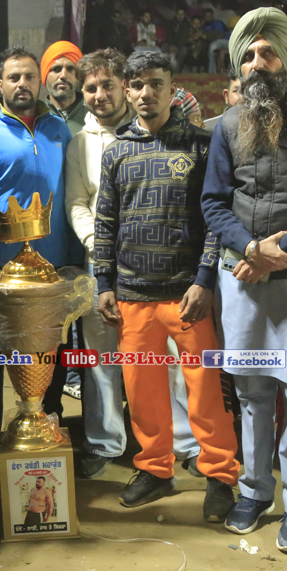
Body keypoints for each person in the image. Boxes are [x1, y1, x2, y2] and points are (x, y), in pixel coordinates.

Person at [202, 8, 287, 554]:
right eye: (250, 55)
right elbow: (214, 202)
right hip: (243, 274)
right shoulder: (227, 124)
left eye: (268, 53)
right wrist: (251, 248)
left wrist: (281, 250)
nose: (258, 63)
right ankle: (254, 491)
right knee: (253, 393)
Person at [95, 50, 240, 519]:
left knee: (206, 392)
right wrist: (103, 282)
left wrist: (205, 279)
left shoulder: (202, 145)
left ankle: (220, 475)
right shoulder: (116, 151)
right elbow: (105, 221)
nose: (146, 93)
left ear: (172, 87)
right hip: (133, 294)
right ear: (127, 90)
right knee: (143, 394)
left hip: (188, 294)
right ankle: (155, 469)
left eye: (155, 83)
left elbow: (216, 218)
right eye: (137, 85)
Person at [65, 48, 203, 480]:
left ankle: (183, 442)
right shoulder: (79, 143)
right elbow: (77, 203)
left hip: (159, 267)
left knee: (167, 358)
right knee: (100, 356)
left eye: (107, 85)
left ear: (124, 88)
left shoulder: (156, 131)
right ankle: (106, 441)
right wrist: (98, 246)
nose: (100, 95)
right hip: (101, 266)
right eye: (91, 88)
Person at [0, 46, 80, 479]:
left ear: (38, 83)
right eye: (14, 77)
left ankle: (48, 428)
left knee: (50, 360)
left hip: (51, 272)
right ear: (0, 84)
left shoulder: (58, 130)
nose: (22, 84)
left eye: (29, 76)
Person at [42, 41, 87, 136]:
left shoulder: (94, 117)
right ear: (45, 76)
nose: (63, 75)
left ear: (79, 76)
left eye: (70, 69)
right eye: (56, 69)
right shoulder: (35, 119)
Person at [203, 9, 231, 74]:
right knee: (211, 49)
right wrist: (214, 36)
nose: (208, 18)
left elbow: (225, 32)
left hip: (228, 40)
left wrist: (214, 35)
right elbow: (207, 37)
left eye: (209, 16)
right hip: (216, 42)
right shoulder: (204, 26)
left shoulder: (219, 23)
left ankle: (232, 71)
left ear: (212, 16)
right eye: (206, 16)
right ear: (204, 17)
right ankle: (212, 71)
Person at [165, 8, 190, 73]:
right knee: (164, 47)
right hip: (171, 44)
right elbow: (169, 35)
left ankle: (176, 71)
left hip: (181, 45)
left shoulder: (187, 25)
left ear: (185, 15)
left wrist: (177, 46)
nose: (180, 16)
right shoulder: (171, 23)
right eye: (179, 14)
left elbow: (184, 38)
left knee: (184, 50)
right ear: (176, 14)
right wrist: (172, 44)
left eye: (182, 14)